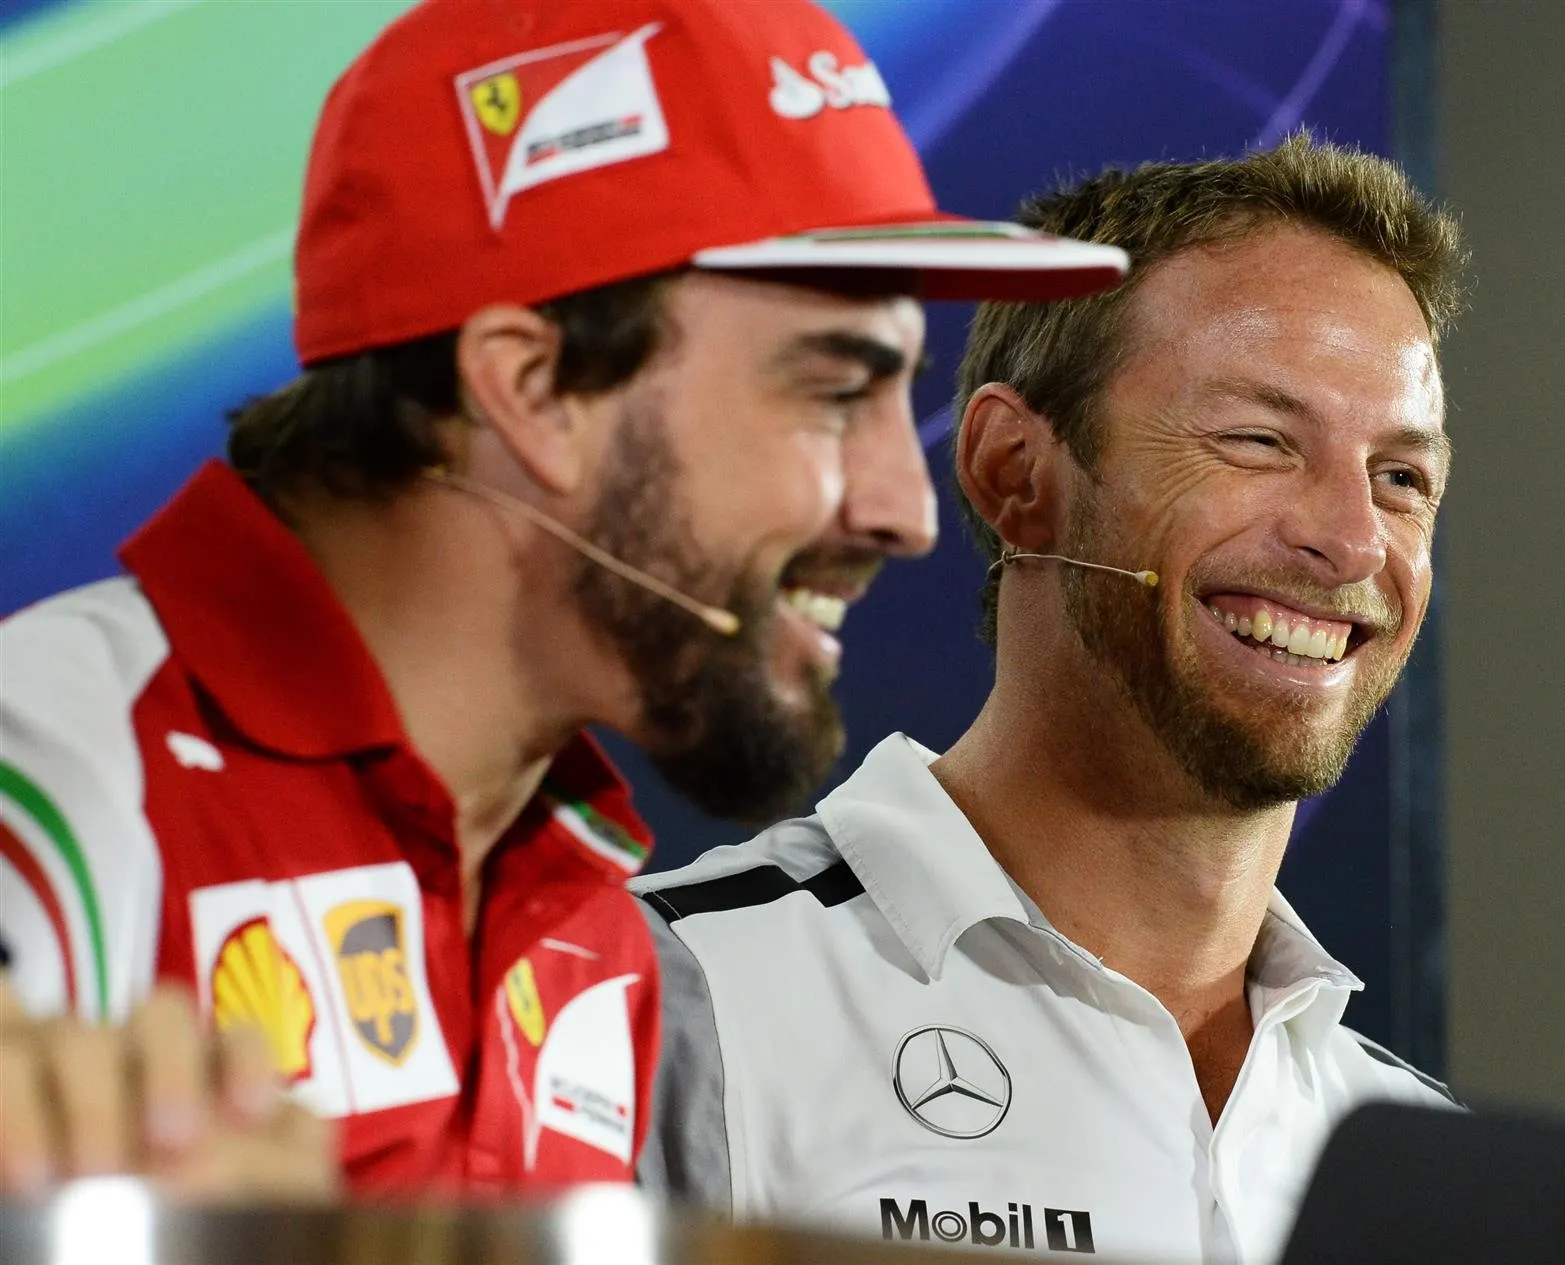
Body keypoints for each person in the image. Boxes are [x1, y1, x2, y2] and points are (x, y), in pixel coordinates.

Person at [0, 0, 1126, 1199]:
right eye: (833, 393)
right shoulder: (61, 773)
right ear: (531, 387)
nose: (907, 508)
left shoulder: (586, 925)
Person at [633, 134, 1468, 1262]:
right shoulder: (669, 1001)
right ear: (1014, 472)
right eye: (1260, 439)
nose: (1353, 537)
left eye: (1401, 478)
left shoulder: (1423, 1157)